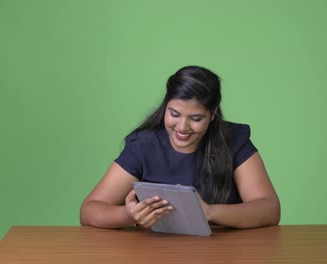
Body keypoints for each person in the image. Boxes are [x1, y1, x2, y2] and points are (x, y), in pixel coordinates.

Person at [80, 65, 280, 229]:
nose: (182, 127)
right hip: (154, 254)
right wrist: (128, 214)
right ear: (165, 105)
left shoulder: (234, 141)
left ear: (213, 114)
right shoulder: (143, 146)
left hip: (221, 254)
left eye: (195, 118)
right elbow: (89, 211)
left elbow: (270, 209)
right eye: (174, 114)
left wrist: (210, 211)